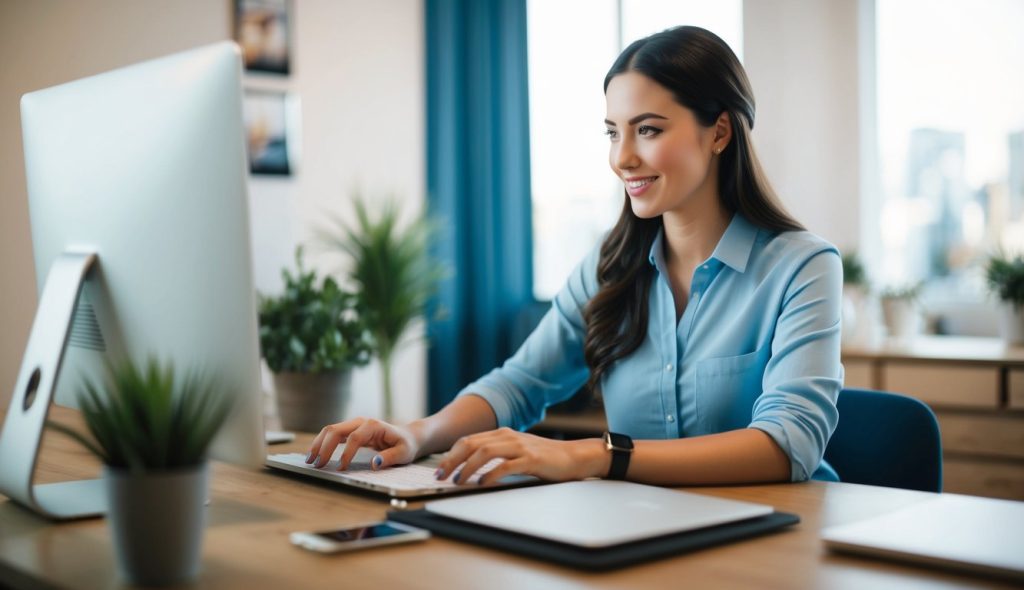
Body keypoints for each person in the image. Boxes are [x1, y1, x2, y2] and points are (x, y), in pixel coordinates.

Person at [306, 25, 842, 486]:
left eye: (648, 130)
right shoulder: (612, 266)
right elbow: (520, 383)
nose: (622, 157)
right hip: (648, 531)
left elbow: (787, 444)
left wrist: (588, 454)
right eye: (614, 133)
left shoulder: (802, 268)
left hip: (774, 539)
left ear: (719, 131)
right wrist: (416, 432)